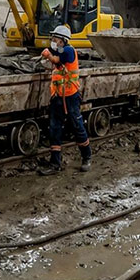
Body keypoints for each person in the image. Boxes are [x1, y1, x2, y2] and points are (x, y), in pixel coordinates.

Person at [39, 25, 91, 175]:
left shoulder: (68, 50)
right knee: (54, 128)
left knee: (77, 126)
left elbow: (56, 58)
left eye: (55, 39)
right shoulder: (62, 50)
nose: (53, 41)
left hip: (70, 97)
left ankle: (86, 157)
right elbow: (56, 56)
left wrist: (48, 55)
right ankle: (55, 163)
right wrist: (48, 53)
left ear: (63, 40)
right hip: (57, 97)